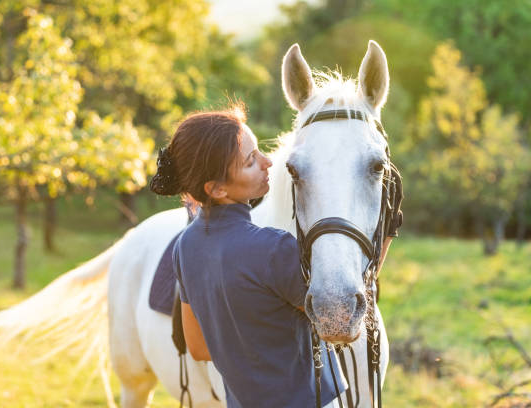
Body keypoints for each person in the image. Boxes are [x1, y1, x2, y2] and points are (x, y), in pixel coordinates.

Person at [150, 104, 391, 408]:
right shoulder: (275, 250)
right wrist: (388, 235)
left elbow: (198, 347)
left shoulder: (184, 246)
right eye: (251, 161)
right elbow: (340, 316)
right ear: (218, 189)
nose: (268, 163)